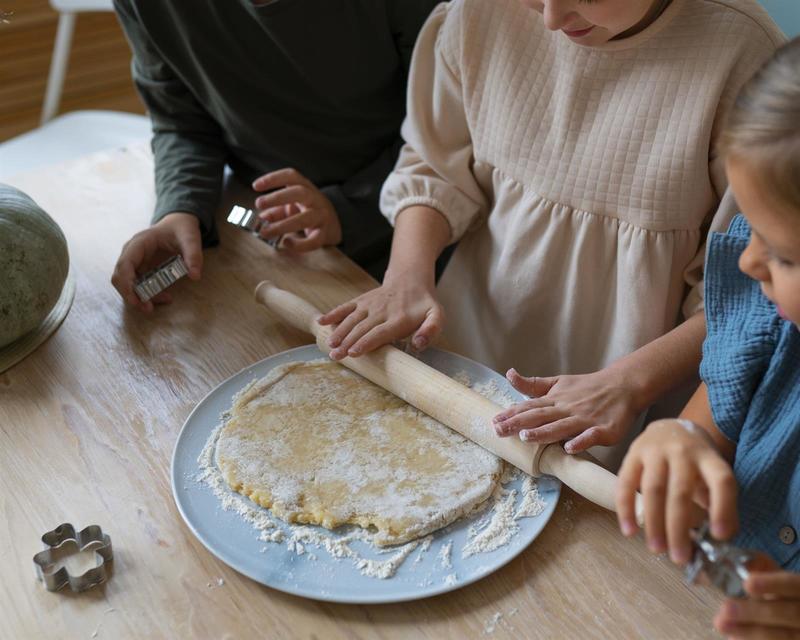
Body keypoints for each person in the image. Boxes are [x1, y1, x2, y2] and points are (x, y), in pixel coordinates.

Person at [319, 0, 784, 466]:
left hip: (620, 406)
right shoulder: (478, 12)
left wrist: (629, 383)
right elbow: (434, 167)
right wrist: (407, 275)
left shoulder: (748, 61)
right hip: (464, 360)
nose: (551, 20)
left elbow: (747, 295)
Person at [617, 37, 800, 639]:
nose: (748, 261)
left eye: (783, 254)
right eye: (750, 228)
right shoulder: (773, 316)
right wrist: (678, 440)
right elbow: (704, 430)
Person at [110, 0, 439, 311]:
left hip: (417, 233)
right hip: (258, 229)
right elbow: (181, 122)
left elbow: (449, 139)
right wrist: (180, 209)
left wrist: (347, 208)